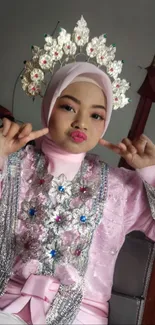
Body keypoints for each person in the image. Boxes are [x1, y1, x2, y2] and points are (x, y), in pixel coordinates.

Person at [0, 18, 155, 325]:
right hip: (8, 304)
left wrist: (150, 171)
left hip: (81, 315)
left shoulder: (119, 188)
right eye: (68, 107)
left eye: (96, 115)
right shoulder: (14, 166)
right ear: (49, 105)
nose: (81, 123)